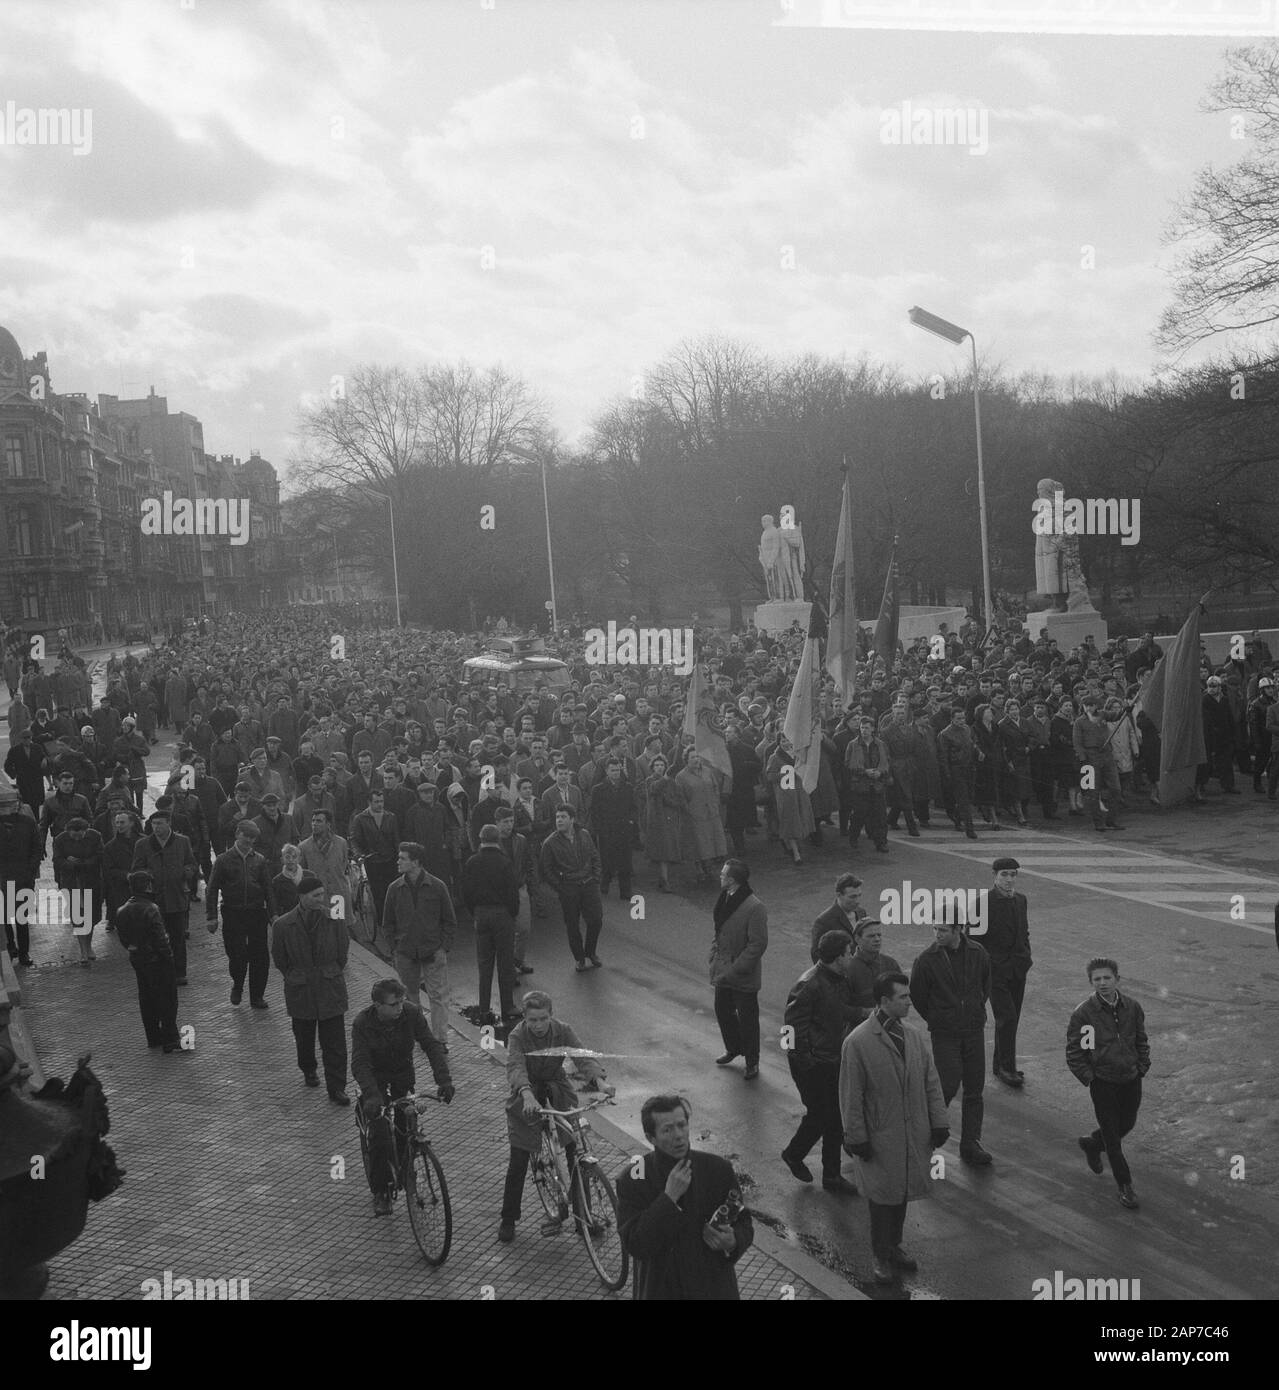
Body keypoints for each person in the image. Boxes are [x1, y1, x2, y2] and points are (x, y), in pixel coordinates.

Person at [840, 973, 949, 1284]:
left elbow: (931, 1080)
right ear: (884, 1001)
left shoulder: (913, 1036)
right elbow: (851, 1095)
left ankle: (894, 1246)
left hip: (911, 1134)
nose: (909, 1002)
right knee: (881, 1200)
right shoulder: (858, 1042)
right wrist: (856, 1137)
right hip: (879, 1136)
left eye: (908, 996)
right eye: (903, 997)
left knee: (900, 1194)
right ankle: (881, 1255)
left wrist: (938, 1120)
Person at [498, 990, 613, 1243]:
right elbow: (515, 1066)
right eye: (532, 1020)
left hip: (556, 1088)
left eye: (543, 1019)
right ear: (525, 1019)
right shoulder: (517, 1036)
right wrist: (526, 1094)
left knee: (574, 1149)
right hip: (526, 1092)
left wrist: (600, 1082)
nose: (538, 1025)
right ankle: (508, 1218)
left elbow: (581, 1056)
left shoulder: (562, 1030)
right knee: (519, 1157)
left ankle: (585, 1217)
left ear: (551, 1016)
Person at [616, 1093, 753, 1300]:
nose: (678, 1135)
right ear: (651, 1137)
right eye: (667, 1130)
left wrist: (732, 1241)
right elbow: (636, 1245)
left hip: (714, 1290)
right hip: (662, 1290)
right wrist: (668, 1198)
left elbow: (744, 1222)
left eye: (682, 1125)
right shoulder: (633, 1180)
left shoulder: (718, 1169)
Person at [352, 978, 455, 1216]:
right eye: (393, 1004)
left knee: (406, 1126)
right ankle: (382, 1191)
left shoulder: (410, 1014)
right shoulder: (362, 1024)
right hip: (375, 1081)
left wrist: (444, 1080)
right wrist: (371, 1095)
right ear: (377, 1005)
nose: (399, 1007)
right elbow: (360, 1063)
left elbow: (430, 1045)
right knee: (379, 1135)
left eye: (401, 1002)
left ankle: (407, 1166)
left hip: (402, 1077)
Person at [908, 914, 993, 1166]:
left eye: (943, 929)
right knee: (945, 1087)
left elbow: (985, 985)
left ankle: (970, 1143)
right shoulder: (926, 959)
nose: (937, 934)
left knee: (974, 1090)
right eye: (935, 929)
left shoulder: (978, 953)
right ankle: (924, 1140)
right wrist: (939, 1018)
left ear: (959, 929)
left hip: (973, 1031)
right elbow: (918, 995)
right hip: (945, 1034)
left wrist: (975, 1010)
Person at [1066, 957, 1149, 1210]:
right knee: (1113, 1137)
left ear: (1117, 979)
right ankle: (1125, 1186)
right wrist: (1091, 1078)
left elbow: (1141, 1040)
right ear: (1091, 982)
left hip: (1130, 1078)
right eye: (1097, 979)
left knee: (1127, 1123)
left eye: (1107, 978)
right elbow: (1075, 1052)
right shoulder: (1084, 1014)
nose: (1102, 983)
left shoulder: (1132, 1008)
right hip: (1103, 1082)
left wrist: (1141, 1066)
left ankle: (1092, 1144)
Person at [782, 931, 860, 1195]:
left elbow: (837, 1012)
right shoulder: (809, 985)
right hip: (815, 1065)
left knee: (832, 1117)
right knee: (822, 1116)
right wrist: (807, 1063)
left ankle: (831, 1175)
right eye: (850, 952)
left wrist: (865, 1014)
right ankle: (795, 1154)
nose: (852, 956)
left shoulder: (838, 979)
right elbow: (791, 1031)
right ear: (839, 958)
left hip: (831, 1059)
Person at [270, 873, 351, 1105]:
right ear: (302, 897)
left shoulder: (334, 919)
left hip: (330, 988)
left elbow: (342, 953)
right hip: (301, 991)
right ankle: (308, 1068)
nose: (321, 899)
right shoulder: (283, 925)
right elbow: (280, 959)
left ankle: (337, 1087)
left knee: (335, 1043)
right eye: (316, 895)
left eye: (322, 894)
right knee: (304, 1038)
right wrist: (296, 976)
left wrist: (330, 972)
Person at [382, 841, 456, 1043]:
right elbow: (387, 923)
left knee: (438, 997)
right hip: (406, 953)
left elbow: (449, 921)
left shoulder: (437, 887)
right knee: (410, 998)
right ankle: (421, 1036)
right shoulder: (394, 889)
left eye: (402, 858)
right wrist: (395, 949)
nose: (398, 861)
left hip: (433, 951)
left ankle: (440, 1040)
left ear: (415, 862)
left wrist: (443, 948)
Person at [206, 819, 275, 1008]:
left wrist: (273, 914)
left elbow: (268, 888)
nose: (249, 841)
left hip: (256, 912)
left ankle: (257, 996)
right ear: (237, 834)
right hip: (232, 912)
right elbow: (212, 889)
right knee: (236, 955)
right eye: (246, 836)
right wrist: (211, 916)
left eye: (252, 838)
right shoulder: (223, 860)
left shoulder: (259, 860)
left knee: (260, 957)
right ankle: (237, 984)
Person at [709, 858, 768, 1080]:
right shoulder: (725, 897)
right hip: (723, 967)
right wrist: (713, 953)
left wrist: (736, 968)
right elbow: (719, 932)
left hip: (742, 973)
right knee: (722, 1010)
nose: (720, 877)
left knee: (748, 1018)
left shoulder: (755, 907)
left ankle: (752, 1061)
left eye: (723, 874)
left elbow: (757, 944)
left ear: (733, 880)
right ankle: (733, 1048)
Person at [114, 870, 183, 1053]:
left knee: (146, 998)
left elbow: (124, 939)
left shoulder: (122, 910)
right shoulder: (151, 908)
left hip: (139, 960)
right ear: (148, 886)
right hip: (157, 960)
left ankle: (153, 1036)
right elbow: (161, 939)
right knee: (167, 1000)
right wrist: (169, 959)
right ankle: (170, 1038)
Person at [460, 823, 521, 1024]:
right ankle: (507, 1007)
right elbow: (513, 893)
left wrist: (475, 913)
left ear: (480, 839)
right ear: (498, 840)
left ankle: (485, 1009)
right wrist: (512, 913)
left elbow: (466, 892)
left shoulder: (472, 862)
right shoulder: (505, 862)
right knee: (505, 964)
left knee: (484, 965)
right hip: (502, 914)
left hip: (481, 914)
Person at [131, 803, 197, 986]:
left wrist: (188, 872)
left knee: (178, 938)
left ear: (169, 823)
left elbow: (191, 862)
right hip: (154, 900)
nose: (156, 827)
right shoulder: (142, 844)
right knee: (155, 939)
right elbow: (136, 868)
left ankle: (179, 973)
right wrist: (147, 878)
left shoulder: (183, 841)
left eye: (160, 823)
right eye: (154, 824)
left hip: (176, 897)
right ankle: (159, 971)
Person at [981, 857, 1032, 1087]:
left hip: (1018, 969)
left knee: (1012, 1019)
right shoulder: (983, 903)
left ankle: (999, 1064)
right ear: (994, 875)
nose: (1009, 879)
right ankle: (1006, 1068)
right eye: (1004, 874)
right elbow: (974, 941)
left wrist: (1026, 956)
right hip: (996, 971)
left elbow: (1025, 931)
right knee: (1007, 1018)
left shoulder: (1021, 900)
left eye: (1013, 874)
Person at [538, 805, 605, 972]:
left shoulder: (584, 835)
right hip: (568, 887)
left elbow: (595, 856)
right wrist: (560, 887)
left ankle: (591, 952)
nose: (559, 820)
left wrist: (596, 878)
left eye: (563, 817)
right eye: (557, 817)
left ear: (572, 819)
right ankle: (580, 958)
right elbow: (545, 870)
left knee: (596, 920)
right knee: (572, 925)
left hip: (589, 883)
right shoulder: (550, 843)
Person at [51, 816, 103, 964]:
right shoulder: (60, 839)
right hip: (72, 881)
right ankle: (83, 951)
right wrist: (69, 863)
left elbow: (100, 855)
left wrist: (85, 863)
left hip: (91, 880)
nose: (77, 839)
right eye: (73, 836)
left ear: (86, 831)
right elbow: (57, 859)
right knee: (78, 916)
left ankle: (89, 945)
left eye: (80, 835)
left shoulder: (95, 836)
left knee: (91, 915)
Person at [0, 782, 41, 967]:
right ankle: (10, 947)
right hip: (1, 877)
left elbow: (36, 847)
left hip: (23, 877)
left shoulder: (28, 822)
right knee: (4, 917)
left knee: (21, 918)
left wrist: (30, 869)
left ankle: (24, 953)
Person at [349, 787, 400, 926]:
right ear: (369, 802)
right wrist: (359, 854)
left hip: (389, 859)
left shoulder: (391, 817)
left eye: (382, 801)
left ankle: (392, 917)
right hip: (372, 860)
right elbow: (354, 840)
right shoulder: (360, 818)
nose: (380, 804)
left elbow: (396, 839)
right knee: (378, 892)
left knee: (391, 890)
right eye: (376, 801)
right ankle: (382, 921)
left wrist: (399, 856)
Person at [587, 758, 635, 901]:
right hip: (606, 831)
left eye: (618, 770)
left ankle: (625, 891)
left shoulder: (628, 787)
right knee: (607, 860)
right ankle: (605, 880)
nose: (616, 773)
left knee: (625, 861)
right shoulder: (598, 789)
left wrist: (631, 821)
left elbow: (633, 807)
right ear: (607, 771)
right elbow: (594, 811)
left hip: (624, 830)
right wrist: (599, 829)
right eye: (613, 770)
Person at [845, 715, 891, 852]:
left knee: (880, 816)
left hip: (877, 785)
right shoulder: (853, 744)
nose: (864, 730)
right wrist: (864, 771)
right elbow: (847, 764)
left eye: (866, 728)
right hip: (860, 785)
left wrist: (881, 773)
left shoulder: (880, 744)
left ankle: (881, 842)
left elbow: (887, 761)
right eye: (862, 727)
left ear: (873, 729)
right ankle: (853, 838)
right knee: (858, 815)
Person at [846, 919, 902, 1024]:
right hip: (859, 1031)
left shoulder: (891, 964)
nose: (877, 939)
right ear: (857, 939)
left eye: (879, 935)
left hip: (891, 1027)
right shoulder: (848, 969)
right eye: (871, 936)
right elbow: (839, 1008)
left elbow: (903, 995)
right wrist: (866, 1013)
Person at [808, 872, 867, 963]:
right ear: (839, 895)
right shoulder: (823, 921)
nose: (857, 901)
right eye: (852, 897)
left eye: (859, 895)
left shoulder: (861, 913)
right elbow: (817, 955)